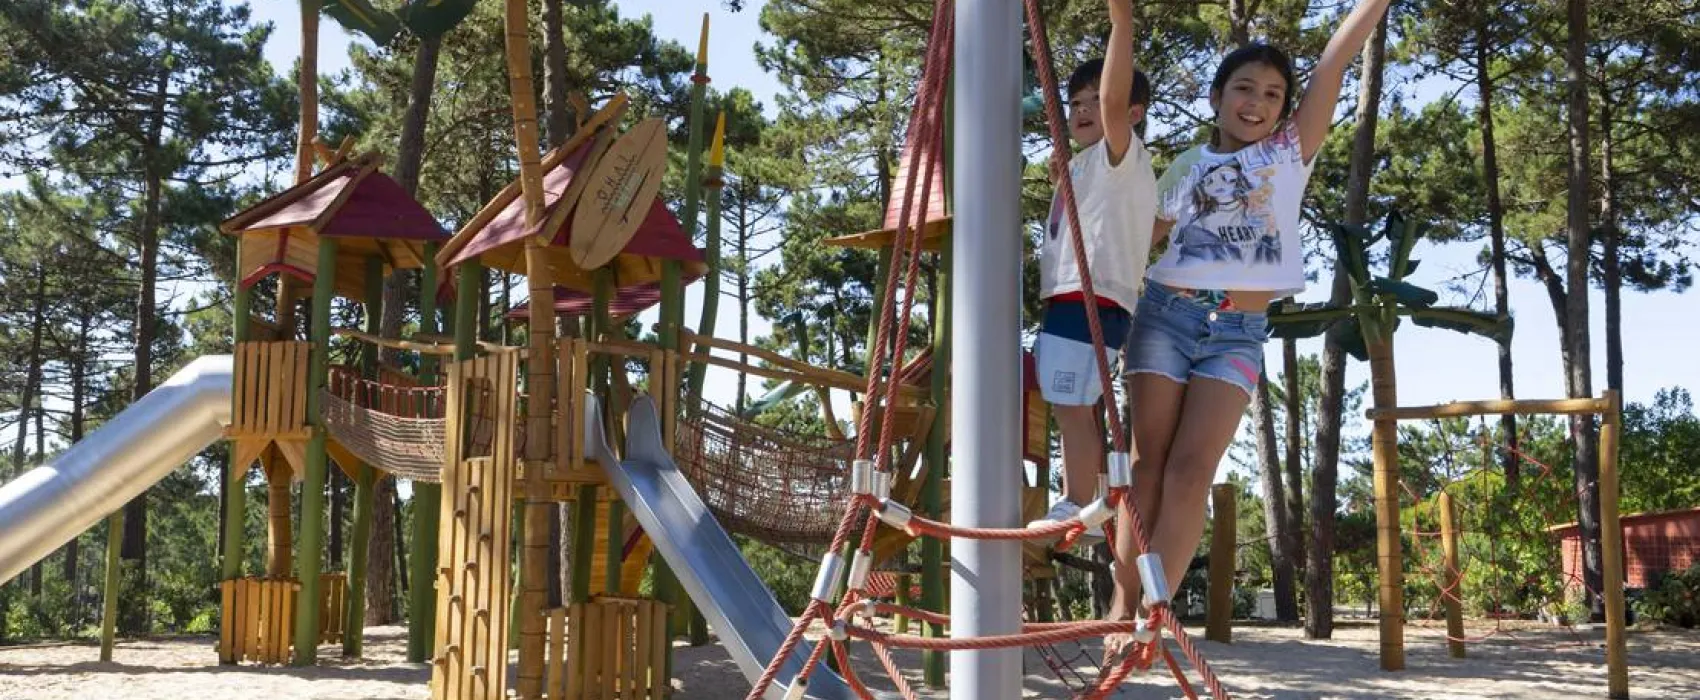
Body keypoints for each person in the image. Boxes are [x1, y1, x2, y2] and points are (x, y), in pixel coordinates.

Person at [1104, 0, 1396, 660]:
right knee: (1147, 467)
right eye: (1243, 88)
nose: (1257, 102)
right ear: (1215, 97)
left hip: (1239, 331)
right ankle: (1120, 609)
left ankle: (1153, 611)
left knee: (1192, 471)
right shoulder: (1185, 167)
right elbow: (1136, 244)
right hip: (1166, 317)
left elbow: (1333, 63)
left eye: (1272, 93)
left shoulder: (1290, 154)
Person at [1027, 0, 1156, 554]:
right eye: (1073, 103)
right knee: (1071, 402)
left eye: (1094, 102)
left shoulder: (1117, 153)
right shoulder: (1081, 165)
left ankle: (1078, 496)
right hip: (1073, 300)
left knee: (1071, 408)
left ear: (1133, 111)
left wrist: (1120, 25)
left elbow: (1111, 101)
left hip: (1088, 299)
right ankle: (1089, 494)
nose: (1083, 110)